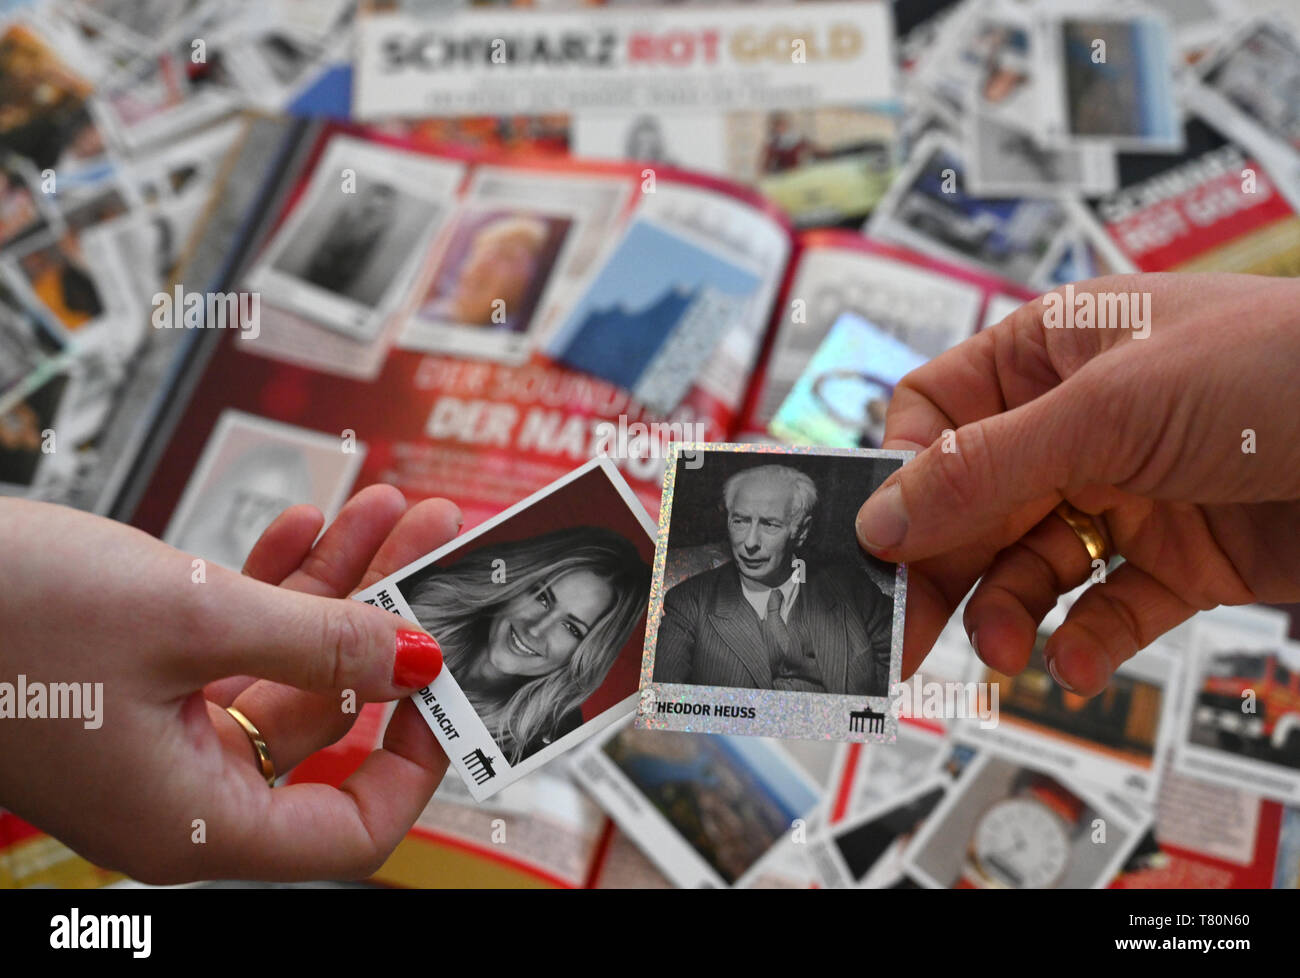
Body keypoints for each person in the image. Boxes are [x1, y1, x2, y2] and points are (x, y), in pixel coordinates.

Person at [1, 271, 1298, 884]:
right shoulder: (697, 617)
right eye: (550, 608)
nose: (758, 542)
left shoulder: (850, 602)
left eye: (577, 625)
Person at [402, 526, 651, 763]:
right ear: (516, 582)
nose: (536, 629)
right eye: (542, 597)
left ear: (584, 655)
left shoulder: (549, 745)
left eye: (572, 628)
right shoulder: (413, 590)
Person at [653, 463, 894, 695]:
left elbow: (896, 669)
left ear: (801, 531)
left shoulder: (850, 588)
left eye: (770, 525)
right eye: (740, 521)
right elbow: (664, 700)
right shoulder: (689, 603)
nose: (750, 543)